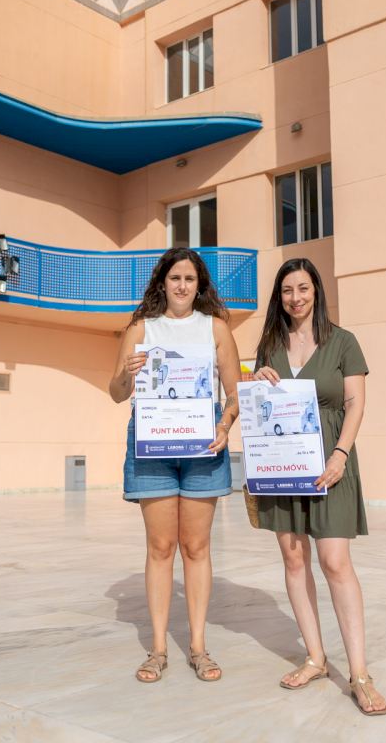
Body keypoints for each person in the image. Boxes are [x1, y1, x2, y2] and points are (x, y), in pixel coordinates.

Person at [252, 257, 386, 716]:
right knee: (294, 559)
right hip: (283, 464)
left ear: (316, 291)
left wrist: (341, 454)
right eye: (287, 290)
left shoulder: (343, 341)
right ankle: (315, 657)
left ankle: (360, 673)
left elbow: (355, 404)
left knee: (335, 561)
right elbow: (258, 404)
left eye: (303, 288)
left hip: (331, 463)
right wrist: (258, 380)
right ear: (280, 297)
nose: (295, 298)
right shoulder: (270, 344)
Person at [109, 247, 240, 684]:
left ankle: (198, 647)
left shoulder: (215, 328)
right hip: (153, 445)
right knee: (160, 547)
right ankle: (159, 649)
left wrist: (224, 425)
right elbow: (117, 392)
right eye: (175, 278)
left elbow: (234, 392)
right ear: (162, 283)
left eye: (190, 278)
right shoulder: (141, 328)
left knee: (197, 547)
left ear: (199, 285)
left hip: (203, 444)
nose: (182, 286)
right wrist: (127, 373)